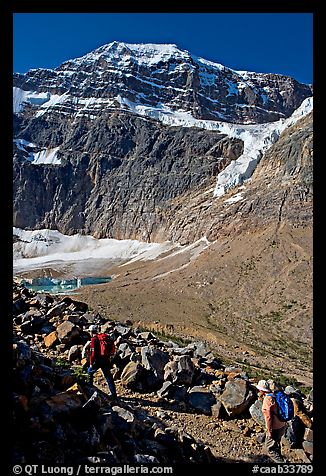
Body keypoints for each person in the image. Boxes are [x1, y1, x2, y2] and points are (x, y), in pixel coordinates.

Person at [256, 379, 287, 463]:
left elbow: (268, 417)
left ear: (261, 390)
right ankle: (280, 458)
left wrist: (269, 431)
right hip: (282, 424)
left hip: (275, 427)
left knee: (269, 448)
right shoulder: (275, 395)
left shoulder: (267, 400)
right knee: (276, 444)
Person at [87, 324, 117, 400]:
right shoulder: (102, 337)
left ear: (91, 331)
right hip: (106, 360)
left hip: (97, 361)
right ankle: (114, 395)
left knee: (89, 372)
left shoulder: (94, 339)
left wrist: (91, 363)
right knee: (108, 377)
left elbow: (93, 353)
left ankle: (89, 388)